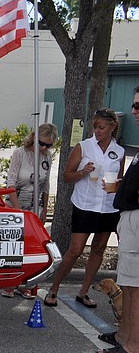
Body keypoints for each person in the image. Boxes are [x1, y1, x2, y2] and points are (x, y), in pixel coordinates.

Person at [45, 108, 125, 308]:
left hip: (108, 208)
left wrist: (116, 185)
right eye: (95, 127)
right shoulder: (84, 146)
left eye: (102, 127)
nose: (97, 131)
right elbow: (66, 176)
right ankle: (54, 288)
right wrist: (82, 172)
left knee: (98, 249)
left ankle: (83, 292)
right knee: (75, 250)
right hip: (85, 205)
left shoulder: (120, 151)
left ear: (112, 127)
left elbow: (120, 180)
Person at [96, 86, 139, 353]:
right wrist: (124, 188)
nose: (135, 111)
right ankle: (125, 335)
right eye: (135, 105)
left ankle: (133, 347)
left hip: (136, 218)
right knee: (129, 282)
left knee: (135, 287)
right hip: (130, 216)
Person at [1, 123, 58, 299]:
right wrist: (18, 210)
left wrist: (44, 209)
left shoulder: (47, 156)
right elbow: (10, 182)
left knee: (31, 247)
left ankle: (26, 283)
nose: (43, 148)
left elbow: (46, 184)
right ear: (34, 137)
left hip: (35, 205)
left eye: (48, 145)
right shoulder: (20, 153)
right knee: (13, 245)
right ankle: (9, 282)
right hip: (16, 202)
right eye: (41, 143)